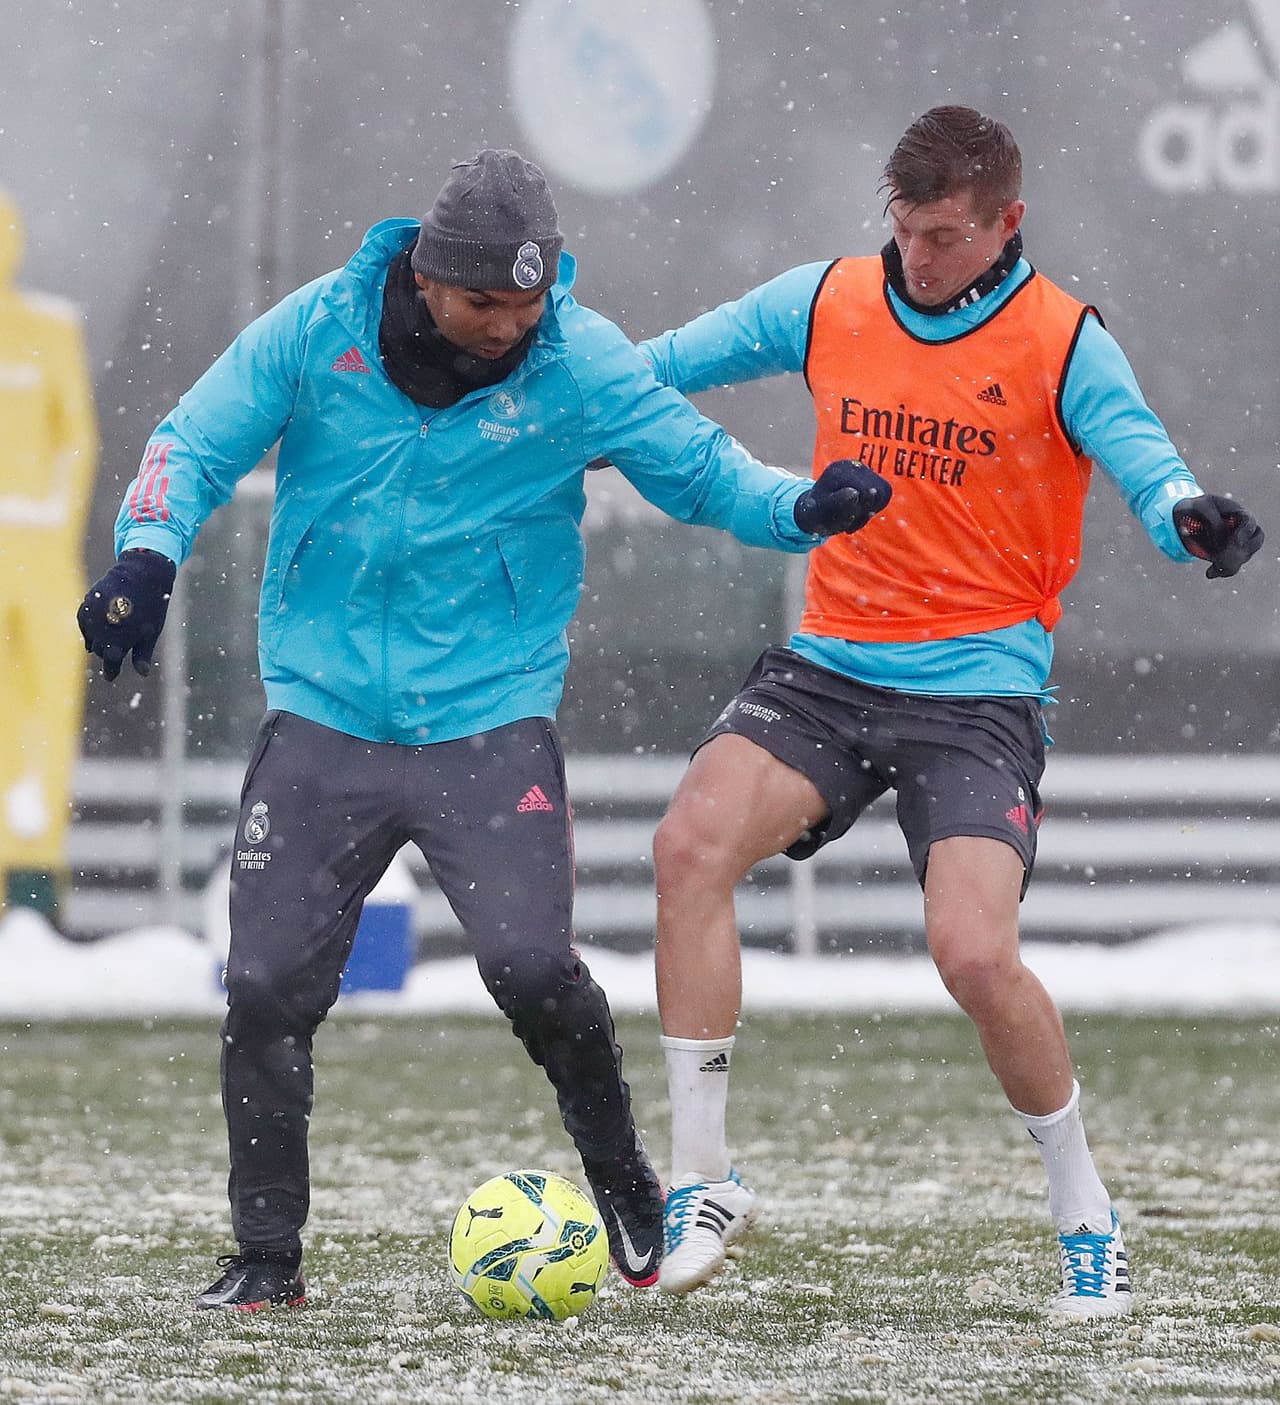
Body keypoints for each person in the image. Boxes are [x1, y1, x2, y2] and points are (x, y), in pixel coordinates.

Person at [76, 149, 887, 1311]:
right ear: (423, 275)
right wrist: (147, 554)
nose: (511, 324)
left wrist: (793, 506)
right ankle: (265, 1260)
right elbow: (190, 442)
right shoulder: (317, 330)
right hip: (323, 715)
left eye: (529, 299)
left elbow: (695, 468)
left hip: (487, 719)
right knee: (262, 988)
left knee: (531, 969)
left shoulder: (579, 356)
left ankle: (627, 1192)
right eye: (484, 303)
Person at [639, 107, 1264, 1315]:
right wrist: (561, 372)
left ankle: (1085, 1212)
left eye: (942, 237)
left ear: (1004, 223)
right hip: (830, 667)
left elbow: (1138, 451)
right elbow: (659, 364)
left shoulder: (1060, 338)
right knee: (684, 850)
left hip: (976, 692)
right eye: (905, 232)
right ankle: (704, 1179)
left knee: (972, 955)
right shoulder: (825, 300)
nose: (917, 260)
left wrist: (1185, 510)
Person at [0, 188, 99, 926]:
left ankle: (36, 861)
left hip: (40, 555)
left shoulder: (48, 330)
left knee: (50, 703)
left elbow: (77, 438)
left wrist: (51, 524)